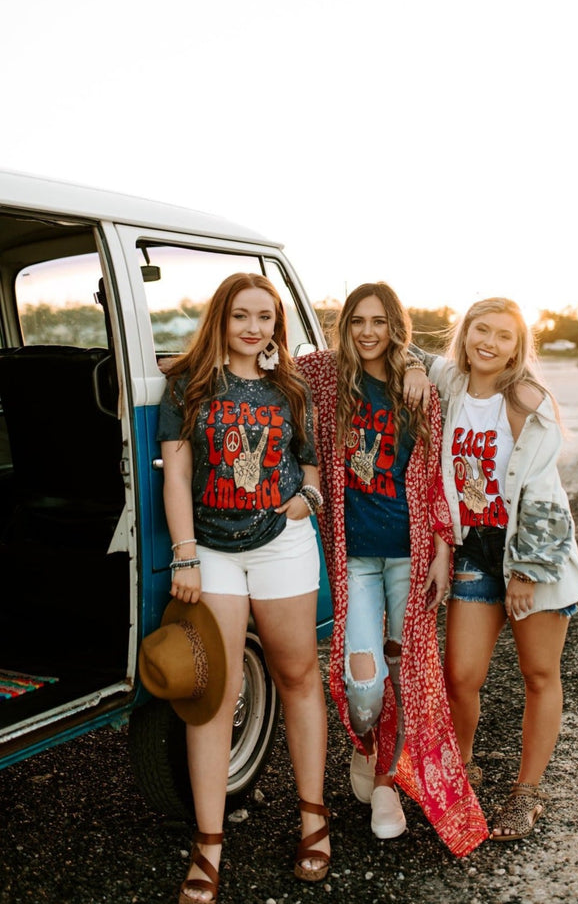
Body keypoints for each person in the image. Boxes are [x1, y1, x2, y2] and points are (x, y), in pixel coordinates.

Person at [157, 272, 331, 904]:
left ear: (275, 326)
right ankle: (208, 845)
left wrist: (306, 499)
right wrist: (185, 557)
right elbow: (176, 478)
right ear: (221, 321)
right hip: (211, 550)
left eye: (265, 317)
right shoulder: (189, 385)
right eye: (240, 316)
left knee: (297, 674)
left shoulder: (292, 388)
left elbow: (309, 462)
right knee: (215, 689)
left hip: (282, 543)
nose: (253, 328)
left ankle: (313, 818)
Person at [297, 283, 488, 857]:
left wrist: (442, 550)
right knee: (364, 686)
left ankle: (387, 785)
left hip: (409, 555)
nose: (368, 332)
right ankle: (364, 744)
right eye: (358, 321)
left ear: (394, 326)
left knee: (404, 679)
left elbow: (433, 475)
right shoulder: (326, 379)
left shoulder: (416, 389)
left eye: (379, 321)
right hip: (353, 556)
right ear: (346, 326)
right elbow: (264, 357)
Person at [416, 297, 578, 841]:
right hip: (474, 551)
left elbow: (542, 493)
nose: (489, 343)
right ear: (464, 333)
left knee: (539, 675)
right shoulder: (448, 382)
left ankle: (526, 794)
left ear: (519, 348)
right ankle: (463, 773)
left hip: (532, 553)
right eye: (480, 330)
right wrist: (404, 366)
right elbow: (401, 348)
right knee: (461, 676)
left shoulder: (525, 400)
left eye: (504, 336)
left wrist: (525, 571)